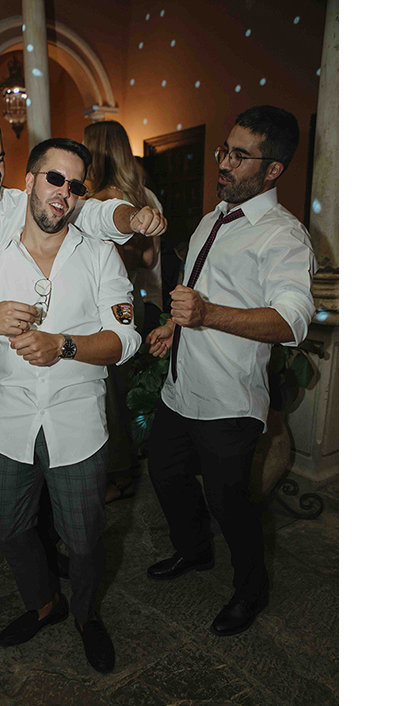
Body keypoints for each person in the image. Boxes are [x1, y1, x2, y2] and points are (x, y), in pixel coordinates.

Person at [0, 107, 166, 619]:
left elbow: (96, 213)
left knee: (71, 516)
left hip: (66, 393)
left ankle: (67, 586)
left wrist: (131, 218)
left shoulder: (40, 203)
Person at [0, 137, 141, 674]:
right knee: (9, 530)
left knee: (84, 541)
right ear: (28, 181)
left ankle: (86, 615)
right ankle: (44, 604)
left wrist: (64, 345)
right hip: (8, 428)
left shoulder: (99, 256)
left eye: (75, 185)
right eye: (55, 178)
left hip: (78, 427)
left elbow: (126, 339)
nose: (64, 192)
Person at [145, 106, 316, 637]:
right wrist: (174, 326)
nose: (223, 162)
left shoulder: (283, 236)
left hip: (228, 400)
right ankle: (194, 551)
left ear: (273, 170)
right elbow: (201, 293)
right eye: (225, 149)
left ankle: (251, 589)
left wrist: (207, 315)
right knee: (166, 474)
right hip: (180, 390)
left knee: (230, 503)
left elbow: (292, 321)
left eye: (240, 156)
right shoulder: (213, 218)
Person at [82, 121, 164, 503]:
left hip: (103, 307)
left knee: (108, 396)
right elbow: (149, 259)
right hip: (135, 301)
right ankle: (131, 460)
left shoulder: (92, 203)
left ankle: (118, 474)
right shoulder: (145, 197)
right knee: (126, 389)